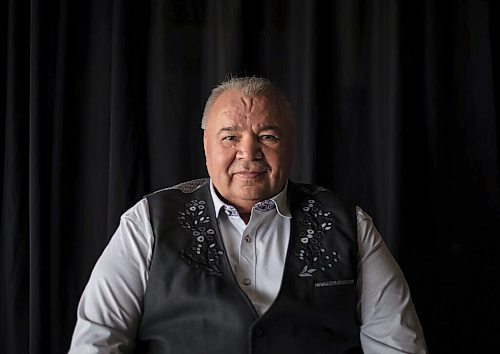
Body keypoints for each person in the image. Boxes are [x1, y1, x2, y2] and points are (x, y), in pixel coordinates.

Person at [68, 76, 428, 353]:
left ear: (290, 145)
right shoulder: (146, 222)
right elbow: (98, 339)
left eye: (268, 136)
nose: (248, 152)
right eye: (230, 138)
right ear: (206, 148)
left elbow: (397, 344)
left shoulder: (350, 224)